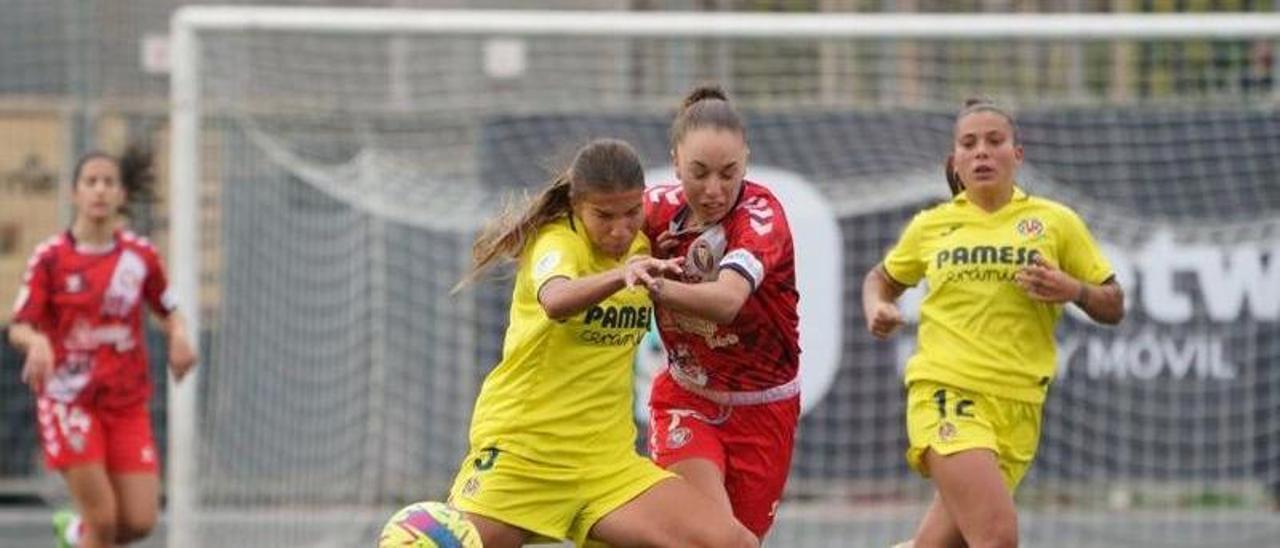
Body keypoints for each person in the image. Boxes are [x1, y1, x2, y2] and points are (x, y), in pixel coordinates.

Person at [447, 138, 758, 548]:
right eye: (604, 216)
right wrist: (620, 276)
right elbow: (556, 300)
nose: (620, 229)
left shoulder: (643, 248)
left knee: (732, 543)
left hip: (605, 467)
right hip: (523, 458)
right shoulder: (558, 242)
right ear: (577, 206)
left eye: (632, 213)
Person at [863, 98, 1125, 548]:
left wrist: (1073, 289)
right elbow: (880, 279)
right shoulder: (932, 226)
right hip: (948, 391)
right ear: (955, 161)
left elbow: (1113, 303)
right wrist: (877, 307)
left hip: (1019, 404)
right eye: (969, 143)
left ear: (1017, 155)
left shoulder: (1054, 222)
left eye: (994, 141)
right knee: (996, 537)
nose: (982, 151)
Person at [7, 147, 197, 548]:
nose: (99, 190)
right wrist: (37, 341)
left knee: (140, 521)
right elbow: (19, 324)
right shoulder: (51, 259)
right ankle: (87, 531)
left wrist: (179, 336)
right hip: (69, 402)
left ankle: (74, 535)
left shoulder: (140, 257)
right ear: (74, 193)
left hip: (126, 403)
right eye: (90, 182)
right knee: (104, 519)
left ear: (122, 195)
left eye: (108, 182)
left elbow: (168, 309)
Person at [635, 84, 801, 541]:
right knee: (713, 538)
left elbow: (728, 302)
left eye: (729, 173)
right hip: (686, 397)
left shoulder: (762, 217)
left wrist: (650, 283)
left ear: (746, 158)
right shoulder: (655, 209)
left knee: (737, 538)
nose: (714, 190)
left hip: (764, 407)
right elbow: (589, 214)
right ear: (675, 162)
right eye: (699, 172)